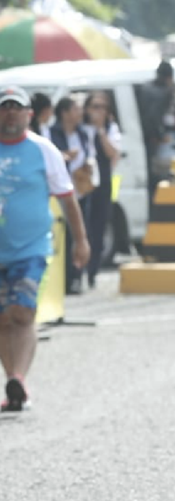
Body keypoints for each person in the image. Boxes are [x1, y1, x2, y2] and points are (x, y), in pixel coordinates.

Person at [0, 85, 90, 411]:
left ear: (29, 114)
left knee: (22, 313)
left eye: (17, 107)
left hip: (31, 249)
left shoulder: (43, 150)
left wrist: (81, 241)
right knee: (3, 319)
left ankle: (19, 378)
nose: (10, 112)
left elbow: (67, 198)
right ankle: (13, 384)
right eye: (4, 107)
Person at [48, 95, 93, 295]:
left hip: (81, 189)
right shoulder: (51, 133)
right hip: (62, 192)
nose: (80, 113)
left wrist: (88, 163)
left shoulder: (83, 132)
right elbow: (52, 160)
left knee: (81, 234)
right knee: (64, 236)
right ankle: (64, 279)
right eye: (75, 109)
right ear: (64, 113)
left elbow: (89, 153)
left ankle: (77, 277)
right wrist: (66, 156)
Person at [82, 91, 121, 288]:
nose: (99, 111)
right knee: (83, 227)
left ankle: (92, 271)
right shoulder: (80, 128)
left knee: (99, 227)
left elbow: (112, 153)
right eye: (95, 107)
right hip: (83, 183)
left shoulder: (110, 128)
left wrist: (101, 130)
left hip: (103, 184)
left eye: (103, 107)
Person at [138, 60, 175, 192]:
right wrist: (160, 136)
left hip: (141, 135)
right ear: (169, 77)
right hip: (153, 139)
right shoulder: (165, 91)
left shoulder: (145, 87)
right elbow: (155, 117)